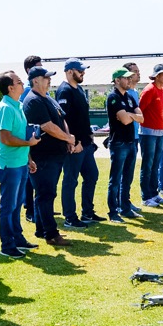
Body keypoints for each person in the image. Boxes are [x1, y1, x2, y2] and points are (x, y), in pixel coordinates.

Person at [23, 66, 75, 246]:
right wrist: (68, 137)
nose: (49, 80)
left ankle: (42, 229)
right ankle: (51, 234)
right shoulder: (33, 101)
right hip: (43, 156)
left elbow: (62, 120)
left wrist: (68, 138)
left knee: (45, 194)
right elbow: (47, 126)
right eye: (45, 77)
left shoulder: (48, 99)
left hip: (54, 154)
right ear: (35, 80)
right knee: (46, 194)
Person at [0, 71, 40, 258]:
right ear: (10, 87)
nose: (23, 84)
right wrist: (29, 144)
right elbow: (5, 138)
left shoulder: (18, 105)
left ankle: (17, 238)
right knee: (8, 205)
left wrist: (29, 159)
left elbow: (20, 134)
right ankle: (7, 244)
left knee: (17, 204)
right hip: (9, 165)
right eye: (19, 82)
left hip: (20, 163)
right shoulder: (5, 107)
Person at [56, 58, 100, 228]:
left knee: (92, 175)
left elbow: (83, 118)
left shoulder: (80, 89)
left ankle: (87, 212)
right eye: (79, 70)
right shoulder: (64, 91)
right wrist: (74, 141)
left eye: (83, 70)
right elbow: (64, 119)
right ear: (69, 72)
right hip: (75, 145)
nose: (83, 73)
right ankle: (70, 217)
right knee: (70, 180)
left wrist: (89, 137)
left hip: (86, 144)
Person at [106, 68, 144, 222]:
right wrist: (131, 116)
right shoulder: (113, 97)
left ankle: (126, 208)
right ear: (117, 80)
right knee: (115, 180)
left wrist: (130, 115)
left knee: (127, 178)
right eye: (125, 78)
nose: (129, 80)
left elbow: (141, 118)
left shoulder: (129, 97)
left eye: (130, 78)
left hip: (131, 142)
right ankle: (113, 212)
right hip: (119, 143)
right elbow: (126, 120)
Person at [139, 63, 163, 207]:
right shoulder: (149, 90)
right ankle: (146, 196)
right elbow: (139, 111)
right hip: (148, 133)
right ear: (157, 75)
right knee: (148, 165)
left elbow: (162, 112)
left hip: (159, 132)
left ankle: (154, 193)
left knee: (155, 164)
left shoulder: (162, 90)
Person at [20, 56, 43, 222]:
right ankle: (30, 210)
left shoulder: (43, 90)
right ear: (29, 70)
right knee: (30, 177)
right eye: (38, 67)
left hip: (41, 141)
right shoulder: (27, 92)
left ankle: (39, 207)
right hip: (30, 141)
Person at [123, 62, 143, 213]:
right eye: (135, 72)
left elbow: (139, 117)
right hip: (125, 138)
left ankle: (126, 201)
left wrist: (136, 116)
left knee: (129, 173)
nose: (138, 74)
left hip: (135, 136)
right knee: (122, 174)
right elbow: (130, 116)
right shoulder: (124, 93)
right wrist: (135, 116)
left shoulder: (135, 93)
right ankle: (121, 203)